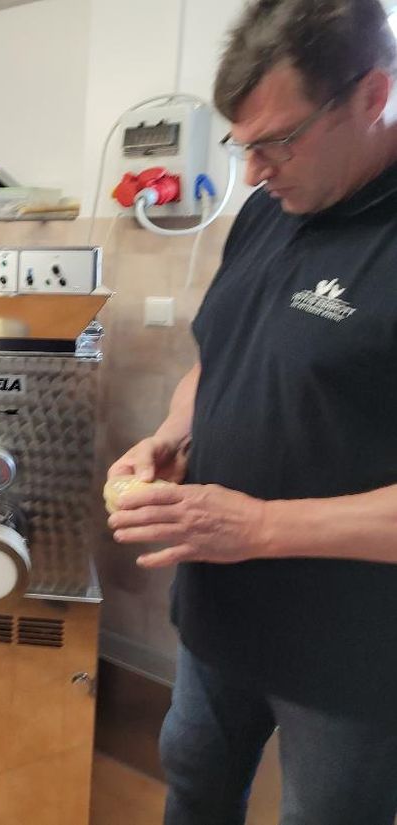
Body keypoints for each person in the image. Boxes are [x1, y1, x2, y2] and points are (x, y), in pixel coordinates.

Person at [106, 1, 397, 823]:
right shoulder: (270, 210)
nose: (256, 171)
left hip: (350, 655)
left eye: (279, 141)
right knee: (194, 785)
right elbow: (218, 359)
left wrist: (263, 526)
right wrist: (171, 435)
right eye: (245, 146)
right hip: (220, 618)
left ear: (372, 96)